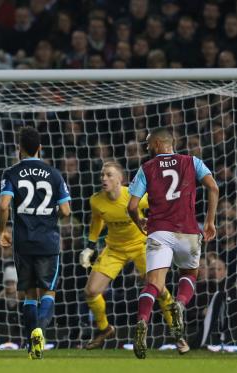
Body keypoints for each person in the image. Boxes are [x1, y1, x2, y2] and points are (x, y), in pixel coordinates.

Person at [128, 127, 219, 359]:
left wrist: (139, 221)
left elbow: (131, 206)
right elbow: (214, 187)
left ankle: (142, 321)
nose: (147, 147)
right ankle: (179, 304)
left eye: (149, 143)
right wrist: (209, 222)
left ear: (159, 143)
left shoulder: (146, 169)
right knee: (190, 273)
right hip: (187, 231)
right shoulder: (192, 162)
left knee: (153, 283)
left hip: (159, 232)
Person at [80, 162, 174, 350]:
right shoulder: (96, 201)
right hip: (114, 249)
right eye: (102, 175)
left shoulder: (133, 196)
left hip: (140, 246)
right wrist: (90, 247)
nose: (104, 178)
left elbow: (161, 204)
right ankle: (105, 329)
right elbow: (97, 221)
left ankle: (176, 329)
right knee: (90, 292)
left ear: (119, 180)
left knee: (159, 288)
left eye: (109, 175)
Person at [0, 126, 71, 359]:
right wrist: (50, 216)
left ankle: (32, 344)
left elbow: (3, 205)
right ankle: (40, 330)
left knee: (29, 293)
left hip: (23, 241)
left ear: (20, 150)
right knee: (48, 291)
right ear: (40, 148)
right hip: (48, 241)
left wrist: (2, 230)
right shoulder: (54, 174)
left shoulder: (11, 173)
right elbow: (67, 211)